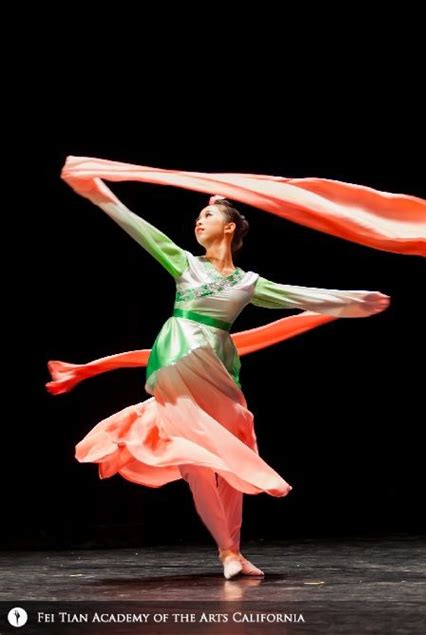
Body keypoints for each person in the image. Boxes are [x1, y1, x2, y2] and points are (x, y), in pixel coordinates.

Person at [50, 183, 389, 579]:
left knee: (232, 455)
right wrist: (99, 194)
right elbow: (141, 228)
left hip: (219, 374)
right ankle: (226, 552)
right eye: (199, 217)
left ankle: (236, 550)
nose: (199, 220)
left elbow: (298, 295)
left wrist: (354, 302)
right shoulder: (184, 264)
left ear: (230, 228)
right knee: (195, 462)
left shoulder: (248, 284)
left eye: (209, 215)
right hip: (178, 364)